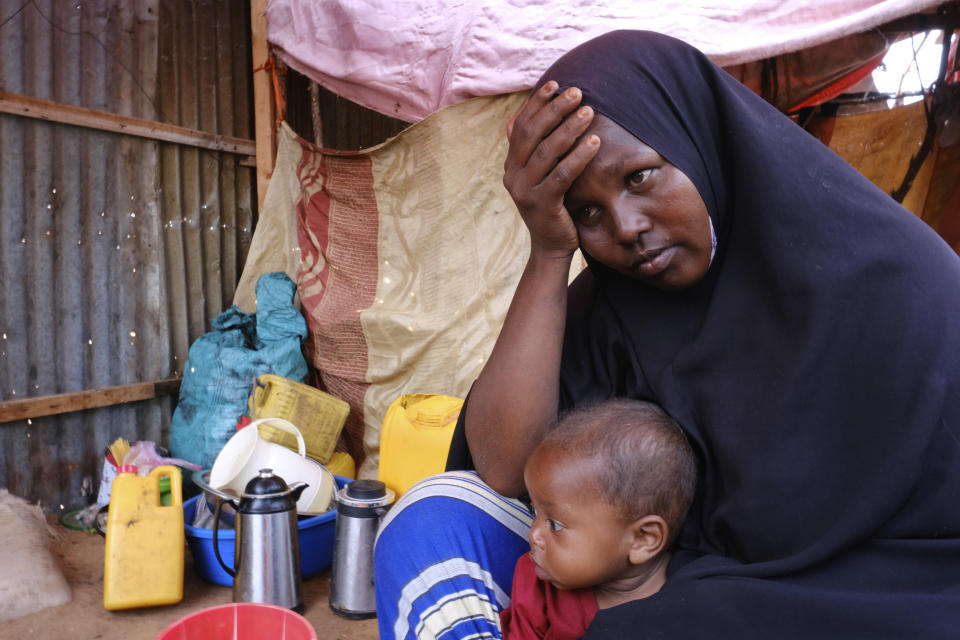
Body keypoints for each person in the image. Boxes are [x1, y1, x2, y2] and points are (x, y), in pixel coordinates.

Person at [374, 29, 960, 639]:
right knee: (433, 517)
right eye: (587, 212)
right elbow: (502, 470)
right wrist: (549, 252)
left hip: (851, 592)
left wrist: (682, 600)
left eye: (640, 177)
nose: (626, 228)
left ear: (698, 140)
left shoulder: (894, 285)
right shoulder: (616, 303)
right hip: (656, 576)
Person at [499, 399, 696, 640]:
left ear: (643, 539)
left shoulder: (697, 596)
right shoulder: (539, 593)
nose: (533, 535)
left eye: (555, 524)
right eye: (534, 512)